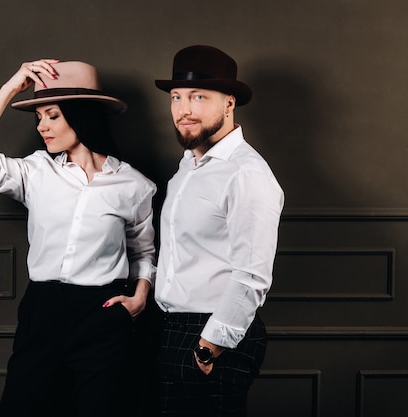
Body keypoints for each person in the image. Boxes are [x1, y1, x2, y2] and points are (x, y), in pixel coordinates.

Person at [0, 59, 157, 417]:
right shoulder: (36, 171)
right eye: (38, 117)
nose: (42, 126)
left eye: (52, 115)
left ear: (82, 115)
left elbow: (143, 250)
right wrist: (8, 88)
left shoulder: (134, 185)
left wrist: (140, 296)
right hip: (42, 310)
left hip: (103, 315)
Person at [153, 45, 285, 416]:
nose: (184, 109)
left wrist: (208, 347)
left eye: (198, 96)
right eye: (176, 97)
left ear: (229, 103)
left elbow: (252, 275)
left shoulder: (246, 174)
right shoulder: (187, 168)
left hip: (212, 334)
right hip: (170, 328)